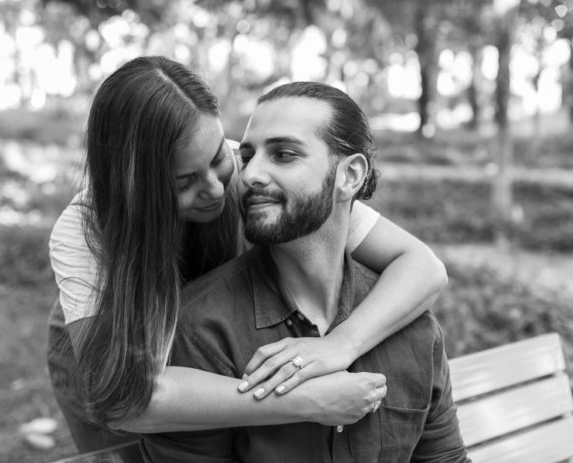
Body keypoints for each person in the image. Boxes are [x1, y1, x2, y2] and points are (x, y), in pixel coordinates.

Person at [47, 56, 449, 454]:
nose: (218, 190)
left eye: (219, 157)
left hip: (219, 338)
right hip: (115, 349)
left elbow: (422, 267)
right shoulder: (85, 228)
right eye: (185, 181)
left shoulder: (256, 170)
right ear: (136, 187)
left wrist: (339, 345)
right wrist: (302, 402)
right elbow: (125, 401)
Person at [140, 81, 468, 462]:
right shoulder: (202, 330)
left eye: (283, 154)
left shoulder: (413, 327)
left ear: (349, 176)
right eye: (247, 157)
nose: (249, 176)